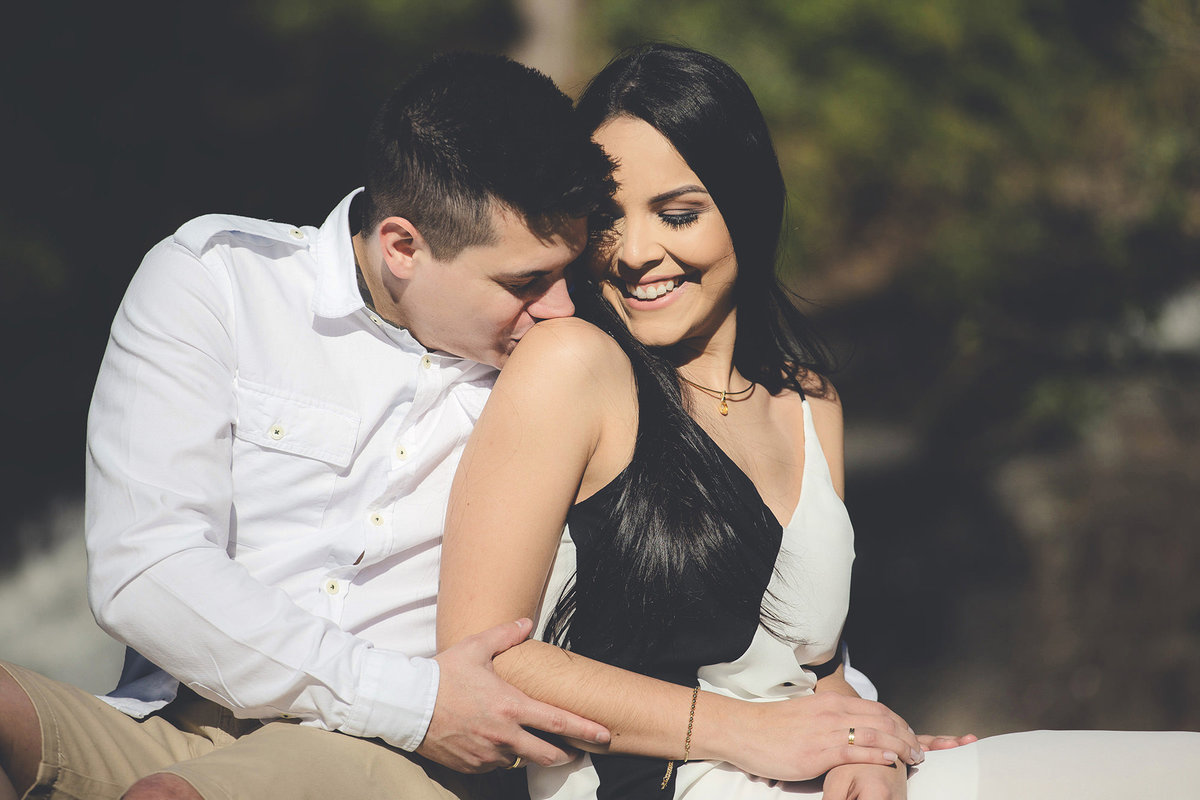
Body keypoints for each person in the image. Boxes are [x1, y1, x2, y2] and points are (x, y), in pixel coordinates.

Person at [436, 43, 1200, 800]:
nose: (636, 253)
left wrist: (865, 741)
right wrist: (750, 731)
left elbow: (813, 668)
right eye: (606, 219)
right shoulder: (573, 365)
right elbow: (487, 657)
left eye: (678, 213)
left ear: (748, 204)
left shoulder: (809, 400)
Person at [0, 52, 616, 800]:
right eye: (524, 283)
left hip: (387, 762)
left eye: (569, 274)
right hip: (175, 721)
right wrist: (412, 701)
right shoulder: (216, 279)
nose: (561, 309)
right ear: (402, 247)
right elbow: (143, 570)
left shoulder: (562, 372)